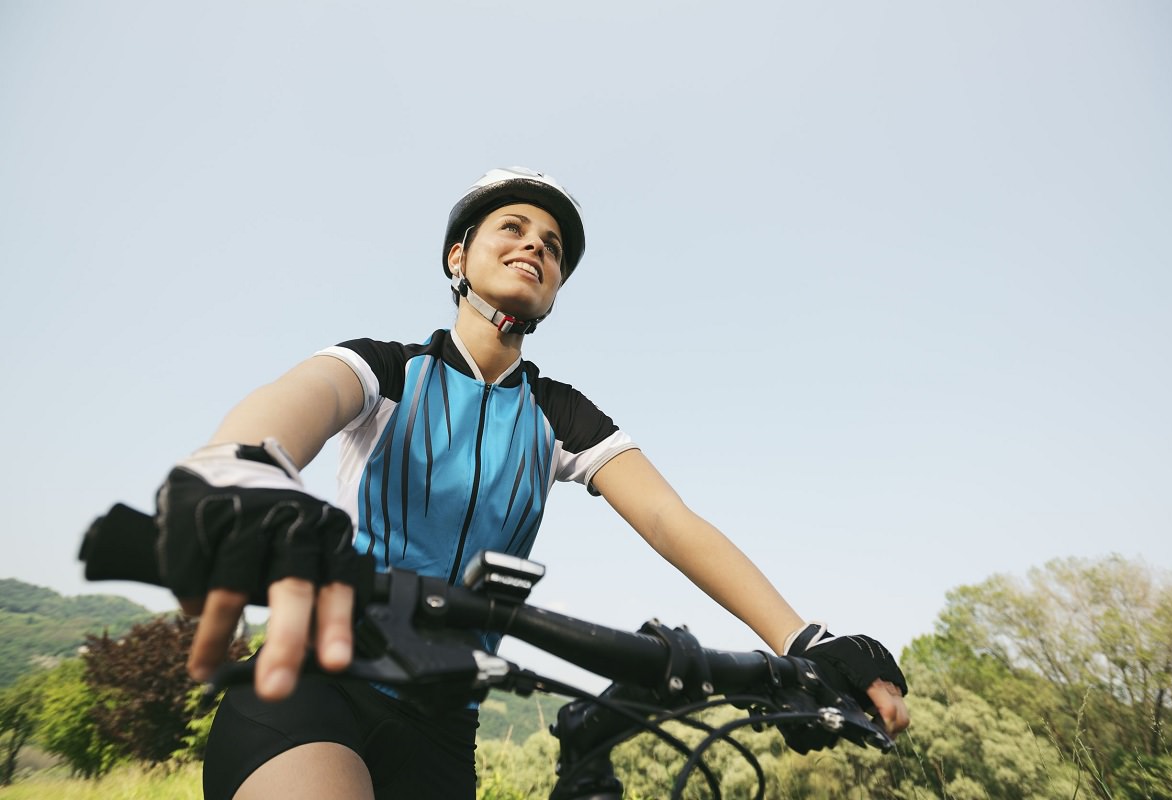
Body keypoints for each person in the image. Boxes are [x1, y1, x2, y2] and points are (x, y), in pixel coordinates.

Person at [155, 167, 910, 800]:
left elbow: (670, 522)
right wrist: (241, 465)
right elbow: (302, 398)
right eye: (512, 228)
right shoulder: (387, 371)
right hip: (314, 683)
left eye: (551, 247)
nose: (535, 247)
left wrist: (806, 640)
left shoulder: (560, 415)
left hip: (445, 727)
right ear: (459, 256)